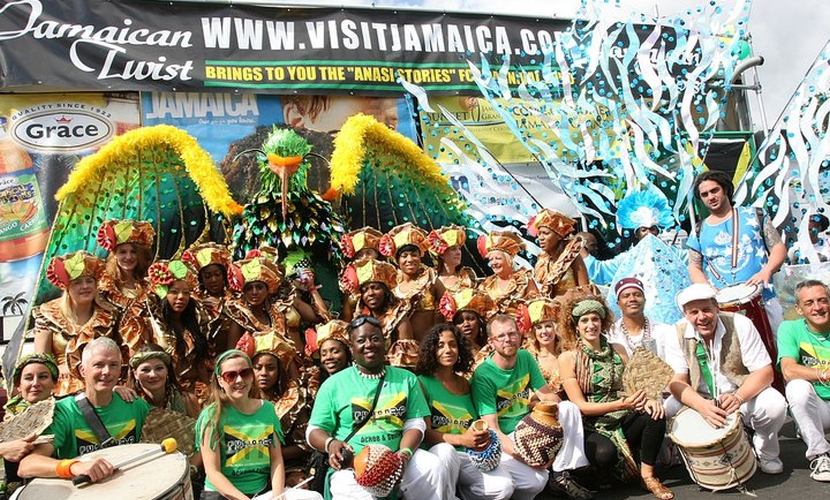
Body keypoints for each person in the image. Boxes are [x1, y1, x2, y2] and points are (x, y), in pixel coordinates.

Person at [306, 315, 454, 500]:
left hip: (399, 458)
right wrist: (331, 444)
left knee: (433, 467)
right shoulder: (333, 385)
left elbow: (416, 424)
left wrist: (404, 455)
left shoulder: (407, 378)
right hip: (353, 466)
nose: (369, 344)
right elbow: (314, 430)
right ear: (352, 348)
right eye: (361, 340)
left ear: (384, 342)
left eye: (375, 339)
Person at [664, 283, 787, 474]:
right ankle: (695, 457)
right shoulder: (675, 332)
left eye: (707, 310)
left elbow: (765, 372)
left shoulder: (740, 323)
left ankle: (767, 453)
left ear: (717, 308)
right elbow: (676, 382)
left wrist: (738, 397)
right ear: (685, 314)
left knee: (774, 403)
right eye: (694, 312)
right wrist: (701, 406)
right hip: (701, 398)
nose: (701, 317)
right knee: (667, 409)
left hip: (741, 393)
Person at [558, 295, 672, 498]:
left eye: (595, 319)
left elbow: (633, 384)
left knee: (656, 414)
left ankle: (647, 477)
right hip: (591, 423)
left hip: (624, 412)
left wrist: (649, 399)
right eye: (584, 320)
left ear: (603, 322)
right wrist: (622, 404)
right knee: (605, 455)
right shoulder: (568, 358)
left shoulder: (617, 349)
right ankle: (599, 473)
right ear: (576, 326)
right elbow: (581, 406)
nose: (591, 325)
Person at [470, 315, 591, 500]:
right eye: (500, 336)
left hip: (529, 425)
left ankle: (561, 473)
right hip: (506, 437)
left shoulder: (525, 357)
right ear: (491, 342)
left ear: (520, 335)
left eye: (512, 333)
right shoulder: (483, 376)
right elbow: (493, 429)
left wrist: (552, 410)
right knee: (536, 482)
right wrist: (523, 456)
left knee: (568, 408)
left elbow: (547, 394)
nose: (508, 339)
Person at [19, 337, 151, 483]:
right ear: (82, 370)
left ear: (120, 370)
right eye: (98, 365)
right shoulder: (64, 412)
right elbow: (27, 465)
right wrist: (74, 467)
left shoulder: (135, 405)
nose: (107, 371)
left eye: (113, 365)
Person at [196, 350, 321, 500]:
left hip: (262, 492)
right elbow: (213, 472)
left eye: (245, 373)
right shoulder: (211, 416)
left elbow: (276, 459)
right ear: (220, 381)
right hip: (222, 495)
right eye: (231, 375)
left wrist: (278, 495)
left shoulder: (267, 409)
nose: (239, 380)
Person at [416, 324, 515, 500]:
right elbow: (426, 433)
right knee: (446, 451)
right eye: (440, 345)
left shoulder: (466, 384)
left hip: (468, 454)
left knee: (504, 487)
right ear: (431, 350)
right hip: (438, 456)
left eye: (453, 344)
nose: (448, 350)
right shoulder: (422, 383)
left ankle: (462, 495)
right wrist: (463, 439)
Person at [686, 171, 787, 334]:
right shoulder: (699, 230)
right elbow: (694, 266)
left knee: (776, 347)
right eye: (704, 194)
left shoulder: (755, 215)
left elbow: (778, 247)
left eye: (714, 190)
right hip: (724, 305)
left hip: (764, 298)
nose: (710, 197)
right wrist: (706, 289)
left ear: (725, 189)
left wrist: (767, 271)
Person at [33, 251, 120, 397]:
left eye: (89, 281)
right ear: (67, 286)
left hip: (102, 388)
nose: (85, 286)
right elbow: (40, 363)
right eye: (77, 282)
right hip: (60, 391)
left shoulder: (109, 315)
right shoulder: (48, 315)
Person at [776, 279, 830, 481]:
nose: (818, 307)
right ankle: (820, 454)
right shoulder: (789, 329)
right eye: (809, 303)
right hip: (818, 406)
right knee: (796, 387)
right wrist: (824, 374)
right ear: (799, 309)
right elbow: (788, 370)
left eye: (822, 300)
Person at [248, 333, 314, 487]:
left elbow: (303, 445)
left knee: (300, 485)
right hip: (245, 467)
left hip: (286, 466)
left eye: (270, 368)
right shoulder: (241, 400)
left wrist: (266, 455)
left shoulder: (293, 399)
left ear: (280, 371)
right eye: (257, 368)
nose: (264, 373)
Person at [584, 191, 684, 287]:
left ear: (657, 231)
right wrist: (580, 249)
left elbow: (693, 261)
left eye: (652, 229)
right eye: (644, 230)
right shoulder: (627, 259)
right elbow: (601, 272)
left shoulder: (674, 254)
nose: (649, 233)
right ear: (637, 234)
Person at [147, 259, 212, 395]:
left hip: (194, 391)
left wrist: (210, 392)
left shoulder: (195, 323)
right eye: (174, 292)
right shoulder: (151, 325)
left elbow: (200, 364)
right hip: (163, 390)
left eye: (186, 292)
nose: (181, 297)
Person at [96, 218, 157, 356]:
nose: (128, 257)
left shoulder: (150, 285)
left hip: (148, 355)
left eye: (133, 252)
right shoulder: (103, 288)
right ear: (114, 255)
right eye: (122, 252)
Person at [340, 258, 416, 367]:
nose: (370, 293)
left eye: (375, 288)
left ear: (385, 291)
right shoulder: (359, 317)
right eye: (365, 290)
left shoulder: (398, 316)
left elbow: (406, 358)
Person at [1, 354, 58, 496]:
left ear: (54, 383)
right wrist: (3, 448)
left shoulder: (67, 411)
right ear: (19, 385)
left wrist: (117, 390)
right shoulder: (9, 417)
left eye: (43, 376)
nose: (35, 383)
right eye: (28, 378)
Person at [382, 222, 446, 341]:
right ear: (397, 260)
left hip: (429, 346)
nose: (410, 260)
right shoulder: (391, 285)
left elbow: (448, 309)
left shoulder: (431, 279)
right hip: (402, 351)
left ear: (420, 256)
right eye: (404, 256)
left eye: (414, 255)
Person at [183, 242, 237, 360]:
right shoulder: (195, 302)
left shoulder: (235, 301)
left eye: (217, 275)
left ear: (224, 276)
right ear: (201, 279)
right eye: (208, 276)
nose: (213, 280)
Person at [127, 343, 200, 418]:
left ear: (167, 370)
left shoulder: (188, 401)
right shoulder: (128, 405)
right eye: (145, 370)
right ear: (135, 374)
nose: (153, 375)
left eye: (159, 368)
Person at [527, 209, 588, 299]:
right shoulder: (542, 262)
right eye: (539, 234)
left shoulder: (571, 257)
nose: (541, 238)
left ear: (558, 236)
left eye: (546, 233)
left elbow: (585, 290)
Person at [606, 277, 672, 359]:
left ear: (644, 300)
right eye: (626, 296)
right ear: (618, 304)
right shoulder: (610, 334)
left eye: (637, 295)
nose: (632, 299)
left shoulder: (664, 331)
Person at [479, 231, 539, 316]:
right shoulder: (486, 286)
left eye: (498, 258)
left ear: (509, 260)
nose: (494, 262)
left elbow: (535, 306)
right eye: (491, 259)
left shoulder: (525, 279)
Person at [521, 296, 571, 388]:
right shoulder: (527, 358)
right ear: (533, 332)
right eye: (539, 327)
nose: (544, 331)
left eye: (548, 326)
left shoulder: (568, 354)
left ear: (556, 329)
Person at [441, 288, 495, 371]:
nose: (466, 324)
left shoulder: (492, 347)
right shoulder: (452, 353)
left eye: (470, 319)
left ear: (479, 321)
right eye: (460, 321)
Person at [428, 225, 479, 293]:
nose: (458, 253)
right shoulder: (432, 278)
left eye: (459, 249)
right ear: (442, 255)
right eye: (453, 249)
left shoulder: (466, 276)